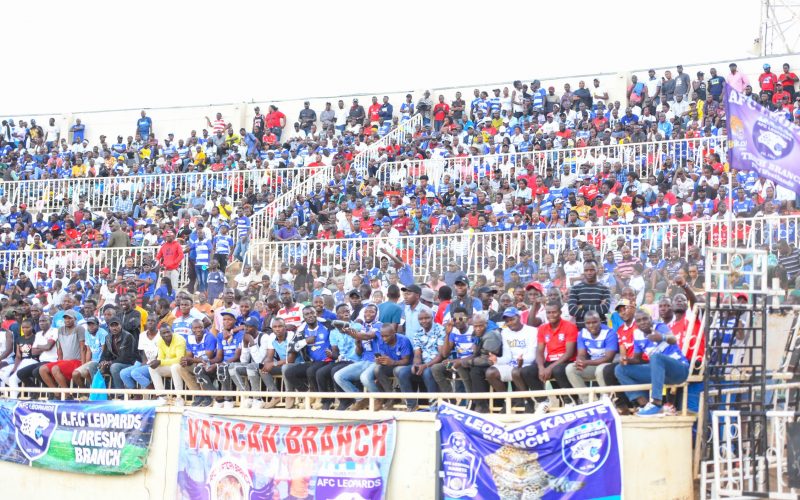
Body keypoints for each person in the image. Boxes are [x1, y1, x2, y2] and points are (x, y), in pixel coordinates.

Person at [615, 309, 690, 417]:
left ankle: (656, 402)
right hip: (659, 374)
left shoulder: (659, 326)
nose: (643, 322)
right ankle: (646, 405)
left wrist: (662, 337)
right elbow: (637, 359)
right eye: (639, 320)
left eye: (645, 319)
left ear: (651, 319)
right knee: (620, 369)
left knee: (655, 357)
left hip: (678, 371)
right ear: (636, 323)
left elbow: (673, 339)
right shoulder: (637, 334)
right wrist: (626, 359)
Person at [520, 302, 579, 413]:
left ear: (560, 313)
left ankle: (570, 400)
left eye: (554, 312)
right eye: (548, 312)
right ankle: (543, 401)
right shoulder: (542, 328)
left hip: (566, 361)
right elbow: (539, 351)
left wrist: (550, 368)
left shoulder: (569, 326)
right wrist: (541, 367)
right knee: (526, 371)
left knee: (557, 370)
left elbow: (569, 353)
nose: (551, 315)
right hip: (550, 361)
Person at [484, 308, 536, 411]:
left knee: (516, 372)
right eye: (507, 321)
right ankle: (508, 401)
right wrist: (497, 360)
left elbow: (532, 356)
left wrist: (522, 360)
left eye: (512, 319)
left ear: (519, 317)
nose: (510, 323)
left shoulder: (532, 331)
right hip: (512, 364)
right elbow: (507, 357)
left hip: (527, 364)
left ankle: (528, 401)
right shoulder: (505, 333)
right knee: (490, 372)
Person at [283, 306, 331, 409]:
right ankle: (309, 394)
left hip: (327, 360)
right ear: (303, 317)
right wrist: (305, 341)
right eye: (307, 314)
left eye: (312, 313)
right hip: (312, 361)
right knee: (289, 372)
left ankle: (319, 398)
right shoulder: (301, 330)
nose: (310, 315)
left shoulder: (327, 324)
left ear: (316, 314)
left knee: (311, 370)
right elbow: (291, 347)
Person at [396, 308, 444, 411]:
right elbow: (417, 353)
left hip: (436, 364)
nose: (424, 321)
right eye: (421, 319)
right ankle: (411, 405)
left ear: (432, 318)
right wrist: (416, 364)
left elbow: (441, 355)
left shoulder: (440, 330)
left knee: (427, 372)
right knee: (403, 372)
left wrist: (425, 365)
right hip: (423, 363)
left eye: (427, 318)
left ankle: (433, 406)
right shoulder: (418, 333)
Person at [565, 311, 618, 397]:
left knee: (600, 369)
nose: (591, 326)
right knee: (570, 368)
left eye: (594, 322)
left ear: (600, 321)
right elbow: (581, 353)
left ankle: (606, 399)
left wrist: (587, 362)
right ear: (585, 323)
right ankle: (587, 401)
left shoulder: (609, 333)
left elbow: (608, 358)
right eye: (588, 323)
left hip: (608, 366)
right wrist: (580, 360)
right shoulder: (583, 333)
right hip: (593, 365)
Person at [39, 310, 86, 396]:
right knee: (42, 369)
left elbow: (83, 348)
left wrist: (83, 365)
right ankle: (57, 394)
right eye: (65, 318)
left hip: (77, 360)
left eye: (69, 318)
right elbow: (59, 349)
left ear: (75, 319)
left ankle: (67, 395)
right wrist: (59, 362)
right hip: (65, 361)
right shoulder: (60, 330)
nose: (67, 320)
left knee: (55, 368)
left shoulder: (79, 328)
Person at [371, 323, 412, 410]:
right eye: (382, 336)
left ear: (394, 333)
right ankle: (392, 397)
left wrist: (393, 362)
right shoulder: (382, 341)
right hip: (392, 364)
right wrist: (380, 361)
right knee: (377, 369)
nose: (384, 339)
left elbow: (406, 361)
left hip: (405, 365)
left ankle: (398, 398)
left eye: (387, 336)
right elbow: (384, 356)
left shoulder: (403, 340)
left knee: (397, 369)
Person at [119, 316, 161, 393]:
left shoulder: (161, 335)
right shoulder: (142, 335)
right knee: (123, 373)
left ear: (157, 323)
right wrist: (144, 363)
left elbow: (161, 353)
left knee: (135, 372)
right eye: (148, 320)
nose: (150, 322)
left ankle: (154, 392)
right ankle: (137, 394)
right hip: (145, 361)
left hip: (157, 363)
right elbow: (143, 352)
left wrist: (150, 363)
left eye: (153, 320)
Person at [148, 324, 187, 403]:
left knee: (175, 367)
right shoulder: (160, 341)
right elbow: (160, 358)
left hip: (184, 366)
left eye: (168, 332)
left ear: (172, 331)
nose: (166, 334)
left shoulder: (179, 339)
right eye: (164, 333)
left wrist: (160, 362)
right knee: (152, 369)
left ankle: (179, 397)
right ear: (160, 334)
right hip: (171, 366)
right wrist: (155, 362)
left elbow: (180, 359)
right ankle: (162, 396)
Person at [567, 260, 611, 329]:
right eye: (586, 270)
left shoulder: (605, 289)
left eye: (592, 270)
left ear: (597, 270)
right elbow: (572, 310)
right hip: (581, 330)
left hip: (601, 330)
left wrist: (582, 306)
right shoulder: (575, 289)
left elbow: (604, 309)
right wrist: (597, 310)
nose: (589, 273)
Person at [99, 316, 138, 390]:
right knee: (95, 366)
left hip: (129, 363)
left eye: (116, 325)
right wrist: (103, 361)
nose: (114, 328)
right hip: (115, 362)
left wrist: (110, 362)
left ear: (121, 325)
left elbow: (126, 357)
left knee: (114, 367)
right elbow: (105, 354)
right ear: (109, 327)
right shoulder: (108, 337)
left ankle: (120, 394)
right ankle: (101, 393)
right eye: (112, 326)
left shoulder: (128, 336)